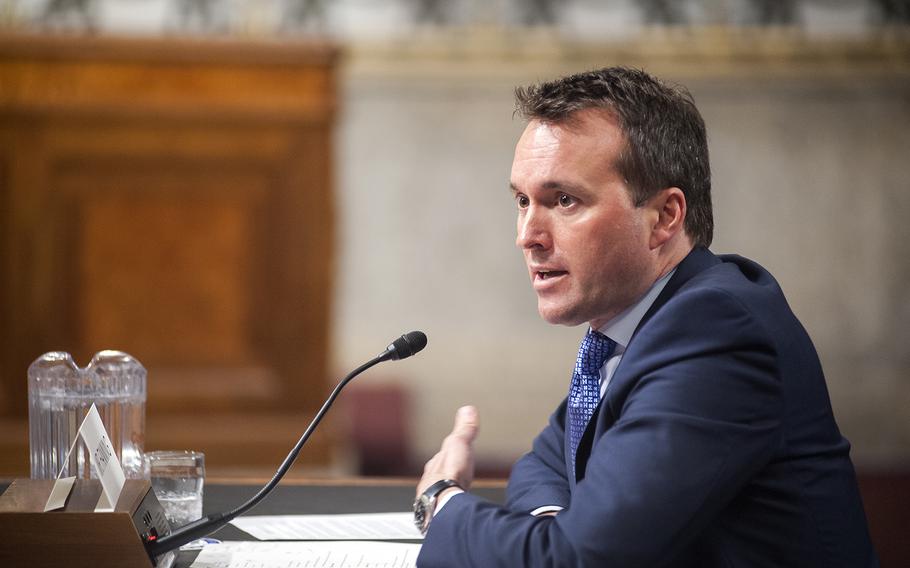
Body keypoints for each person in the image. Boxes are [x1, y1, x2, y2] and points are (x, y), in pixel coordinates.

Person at [413, 67, 878, 567]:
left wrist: (443, 504)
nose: (527, 235)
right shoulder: (631, 331)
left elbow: (575, 559)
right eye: (522, 201)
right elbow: (547, 463)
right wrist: (551, 520)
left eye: (563, 200)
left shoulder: (717, 332)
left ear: (664, 217)